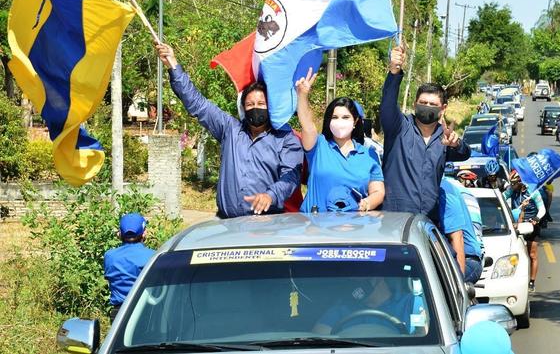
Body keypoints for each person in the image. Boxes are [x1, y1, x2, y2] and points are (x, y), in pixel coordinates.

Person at [156, 43, 303, 218]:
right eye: (250, 104)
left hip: (267, 225)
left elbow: (291, 176)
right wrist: (173, 64)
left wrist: (271, 195)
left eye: (261, 104)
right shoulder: (230, 129)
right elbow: (197, 103)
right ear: (242, 108)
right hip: (228, 225)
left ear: (271, 107)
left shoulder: (286, 138)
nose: (255, 108)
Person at [380, 45, 471, 218]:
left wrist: (456, 143)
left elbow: (465, 153)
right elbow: (387, 104)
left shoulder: (443, 138)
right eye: (423, 102)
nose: (427, 107)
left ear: (443, 109)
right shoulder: (399, 127)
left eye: (433, 105)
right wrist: (394, 72)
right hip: (394, 222)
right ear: (415, 104)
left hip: (429, 224)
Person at [295, 68, 385, 213]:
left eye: (345, 117)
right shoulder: (318, 146)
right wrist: (303, 95)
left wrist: (366, 203)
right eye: (335, 117)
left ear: (355, 121)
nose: (340, 122)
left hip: (351, 229)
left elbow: (378, 192)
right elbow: (306, 124)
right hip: (315, 228)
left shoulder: (369, 155)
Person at [313, 277, 427, 336]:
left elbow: (425, 339)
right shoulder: (342, 309)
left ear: (378, 275)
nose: (353, 279)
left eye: (359, 273)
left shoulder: (412, 303)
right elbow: (318, 340)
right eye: (351, 275)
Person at [104, 213, 155, 322]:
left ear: (120, 234)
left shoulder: (110, 256)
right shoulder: (153, 256)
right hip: (147, 313)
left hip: (119, 314)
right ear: (144, 233)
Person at [503, 170, 546, 292]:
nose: (512, 186)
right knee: (517, 255)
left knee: (532, 254)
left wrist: (536, 219)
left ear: (520, 182)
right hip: (518, 224)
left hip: (532, 224)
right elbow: (501, 197)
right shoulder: (512, 190)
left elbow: (542, 209)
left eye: (514, 183)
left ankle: (532, 282)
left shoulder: (533, 192)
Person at [439, 178, 483, 284]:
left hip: (467, 259)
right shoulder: (448, 186)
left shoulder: (444, 190)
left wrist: (459, 286)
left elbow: (457, 237)